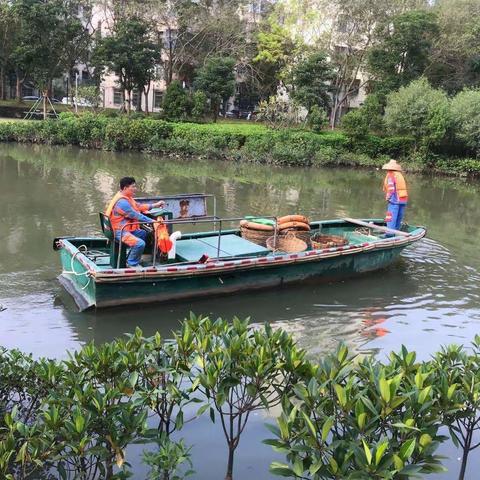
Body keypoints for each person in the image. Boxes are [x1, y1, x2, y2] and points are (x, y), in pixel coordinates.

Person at [105, 177, 165, 268]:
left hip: (124, 228)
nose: (135, 189)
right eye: (133, 187)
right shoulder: (122, 203)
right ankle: (131, 264)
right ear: (125, 188)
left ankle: (131, 257)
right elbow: (136, 215)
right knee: (140, 243)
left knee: (142, 233)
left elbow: (139, 206)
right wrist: (153, 221)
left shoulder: (126, 197)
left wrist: (155, 205)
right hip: (119, 231)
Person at [382, 159, 408, 233]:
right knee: (399, 217)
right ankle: (396, 231)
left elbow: (391, 189)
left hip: (395, 200)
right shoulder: (399, 175)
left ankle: (389, 234)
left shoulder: (391, 175)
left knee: (390, 217)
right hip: (403, 199)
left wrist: (388, 197)